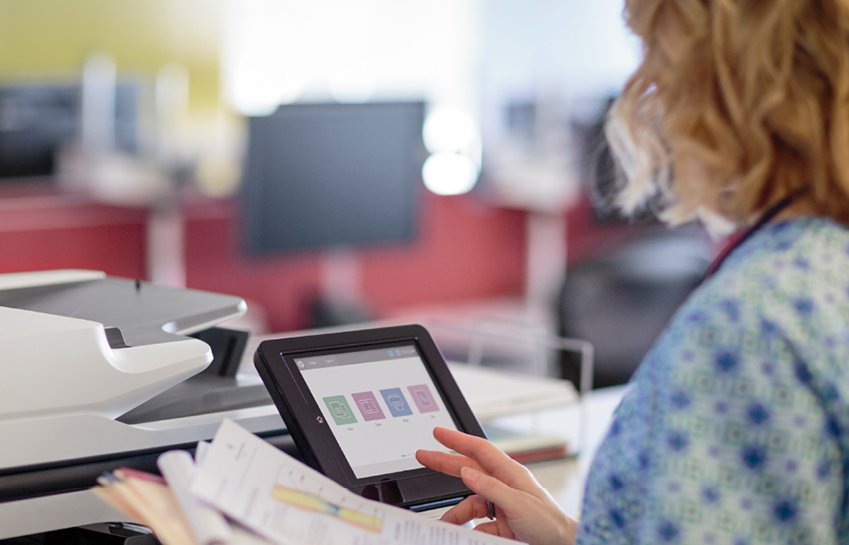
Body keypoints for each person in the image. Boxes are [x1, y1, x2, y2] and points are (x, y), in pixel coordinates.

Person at [416, 0, 849, 543]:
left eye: (654, 60)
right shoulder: (824, 267)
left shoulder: (744, 328)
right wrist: (570, 534)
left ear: (717, 89)